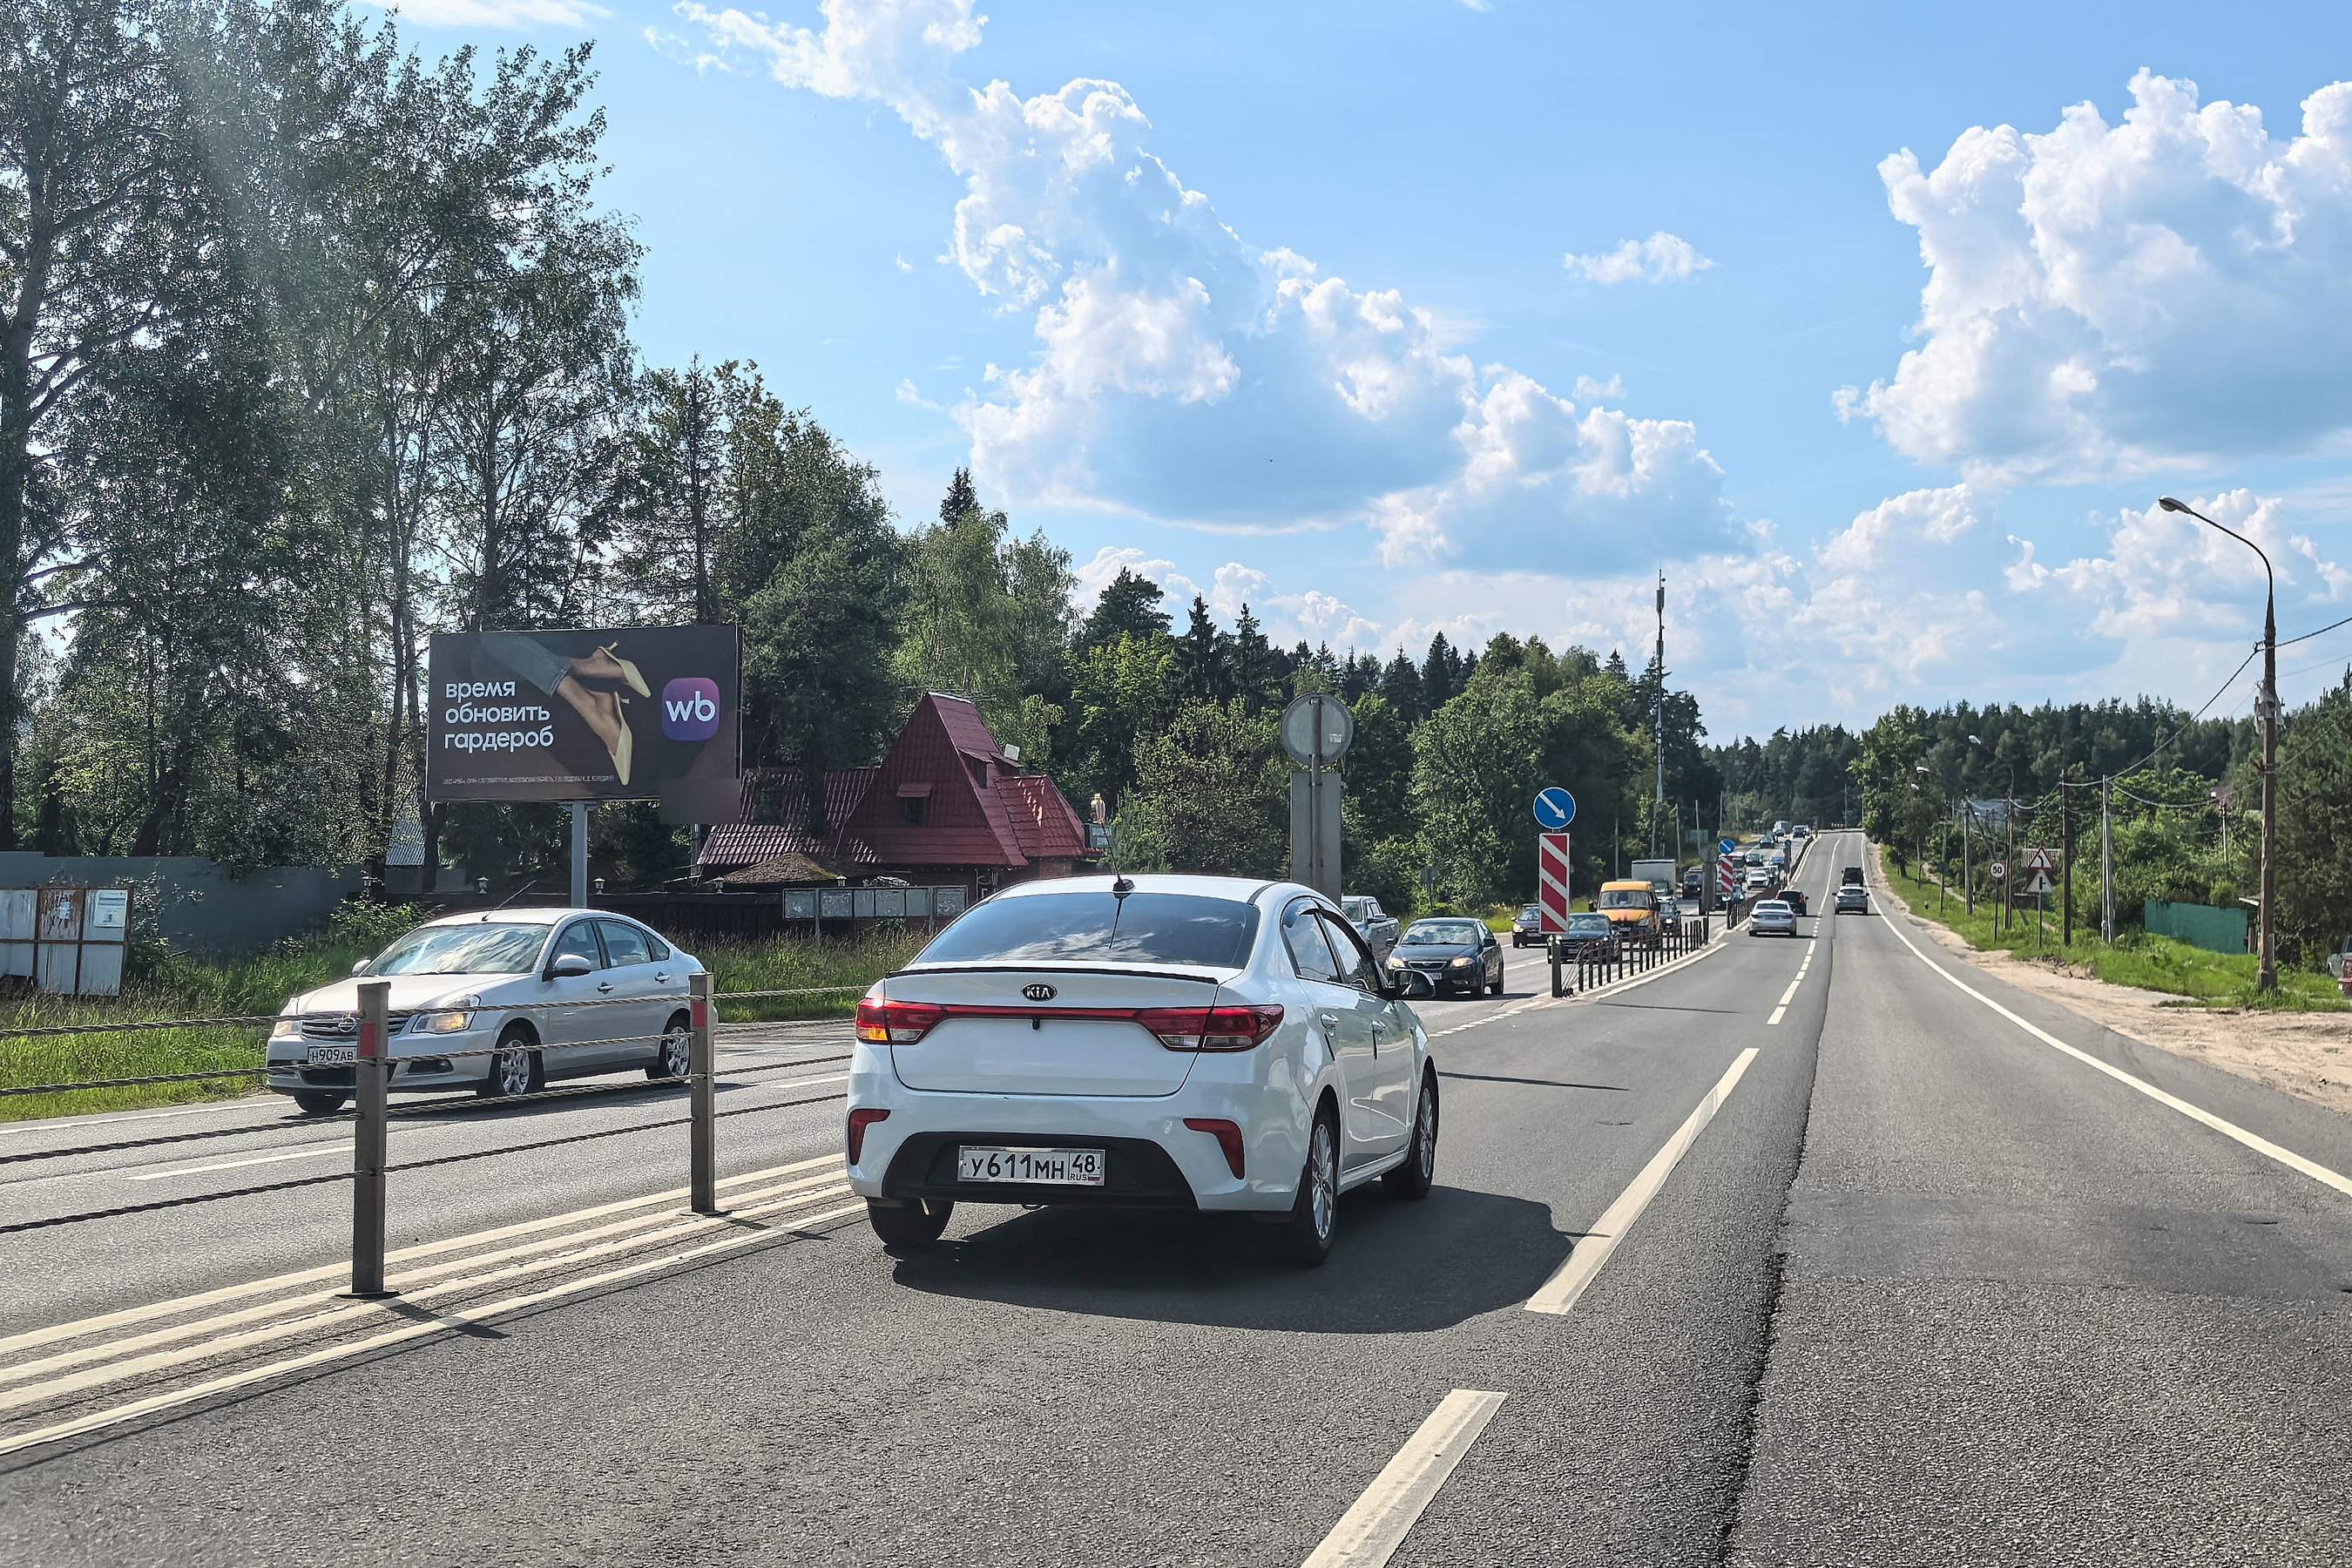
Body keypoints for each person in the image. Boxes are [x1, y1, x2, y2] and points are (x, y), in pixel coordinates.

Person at [471, 634, 651, 785]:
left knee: (489, 645)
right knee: (484, 664)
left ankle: (589, 702)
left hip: (554, 635)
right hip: (536, 645)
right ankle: (591, 667)